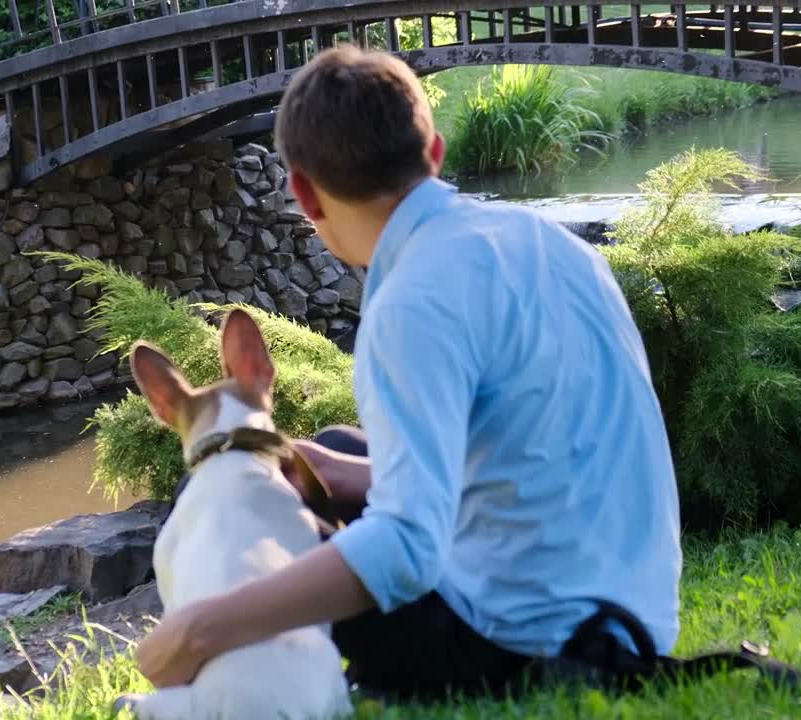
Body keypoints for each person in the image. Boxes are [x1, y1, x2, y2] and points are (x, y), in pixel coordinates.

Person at [135, 45, 684, 703]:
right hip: (636, 620)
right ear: (435, 154)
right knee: (333, 453)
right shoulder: (555, 244)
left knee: (280, 517)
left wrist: (201, 627)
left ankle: (225, 665)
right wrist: (357, 477)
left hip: (527, 645)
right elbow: (535, 449)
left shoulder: (410, 303)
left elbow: (405, 553)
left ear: (303, 191)